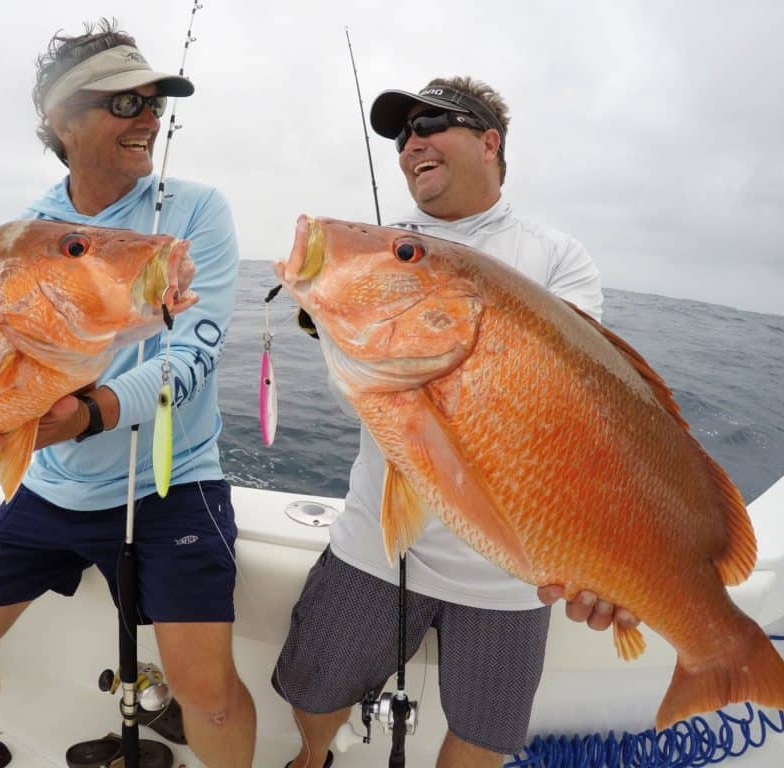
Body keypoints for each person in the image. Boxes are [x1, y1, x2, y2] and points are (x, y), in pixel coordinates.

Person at [273, 77, 640, 768]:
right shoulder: (384, 246)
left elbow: (578, 397)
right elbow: (352, 362)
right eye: (402, 134)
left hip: (512, 569)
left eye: (430, 124)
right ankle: (311, 758)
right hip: (375, 542)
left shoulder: (557, 255)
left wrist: (605, 544)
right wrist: (326, 301)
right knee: (313, 690)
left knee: (486, 732)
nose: (411, 143)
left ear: (489, 140)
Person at [0, 19, 255, 768]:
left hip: (171, 479)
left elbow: (195, 347)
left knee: (205, 687)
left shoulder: (198, 212)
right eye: (124, 103)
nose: (148, 117)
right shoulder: (31, 232)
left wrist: (88, 415)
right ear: (60, 122)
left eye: (154, 104)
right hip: (50, 487)